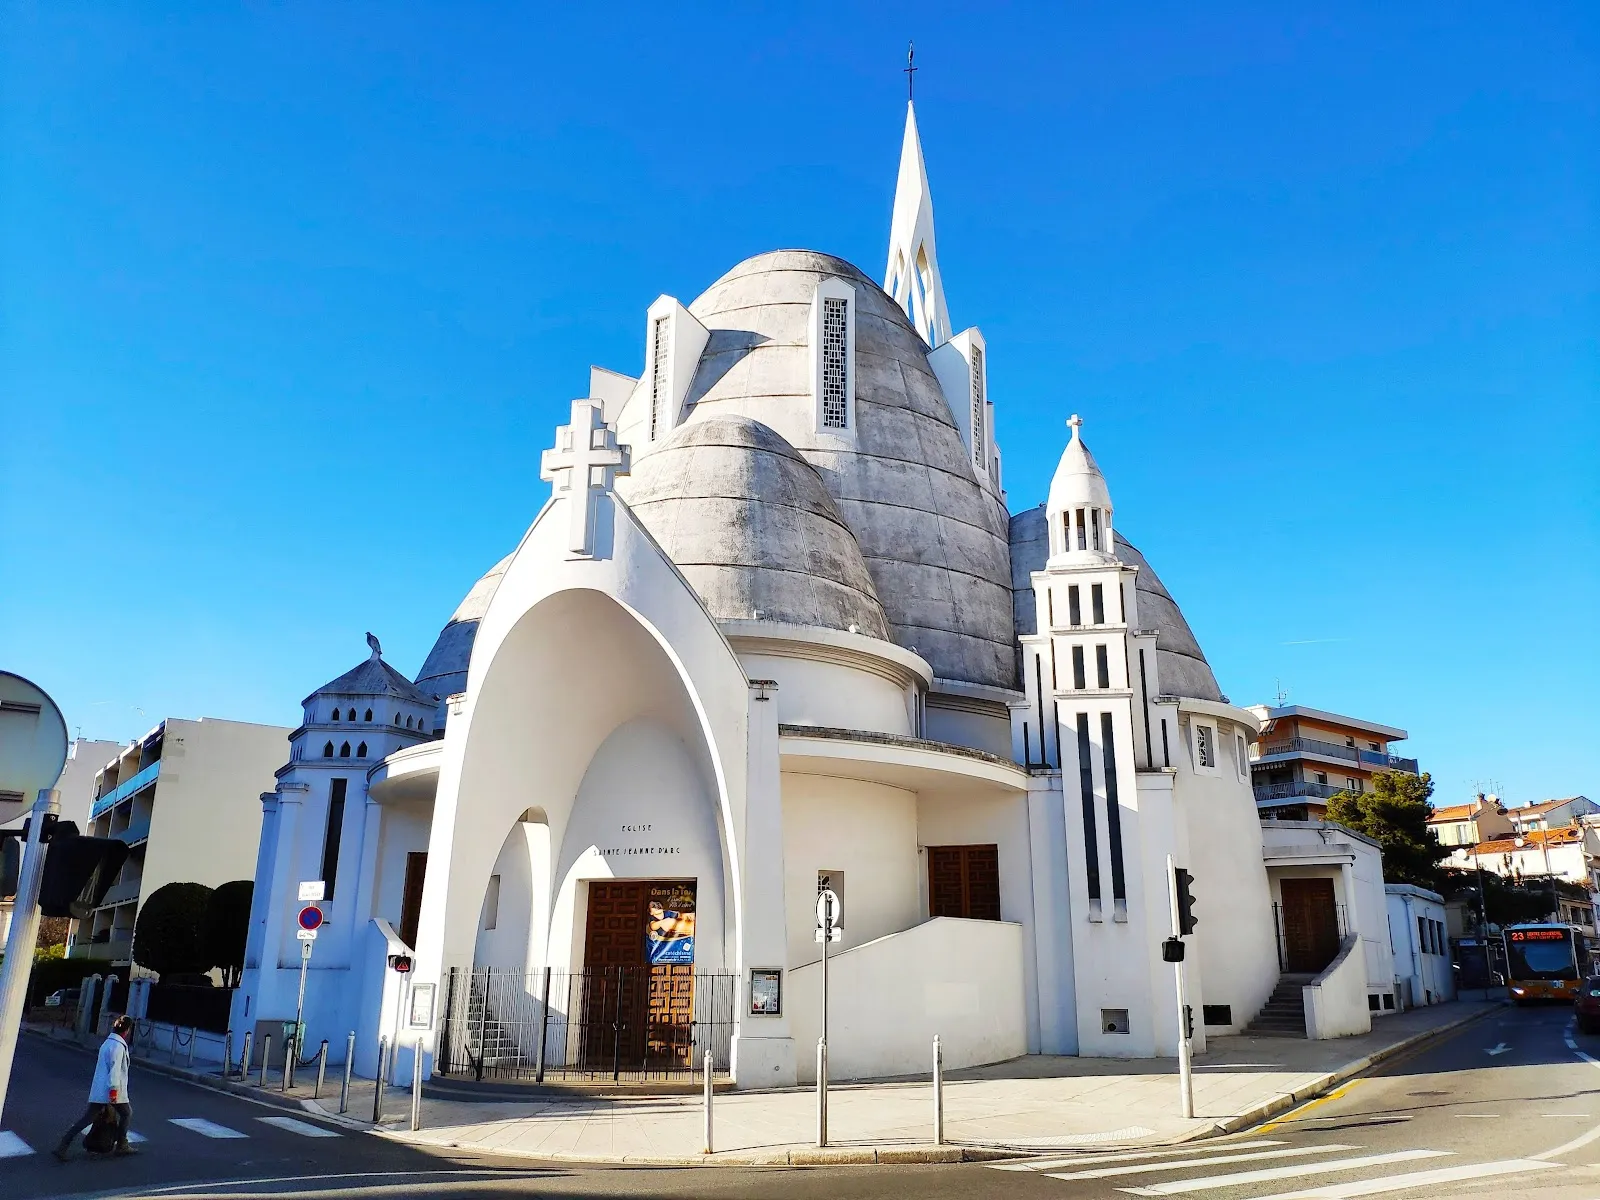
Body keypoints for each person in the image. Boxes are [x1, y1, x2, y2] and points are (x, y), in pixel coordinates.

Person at [52, 1014, 137, 1161]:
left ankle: (63, 1145)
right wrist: (114, 1092)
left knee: (87, 1119)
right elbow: (114, 1071)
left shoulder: (108, 1043)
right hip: (111, 1090)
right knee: (127, 1113)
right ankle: (122, 1144)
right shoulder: (117, 1046)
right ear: (127, 1030)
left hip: (101, 1090)